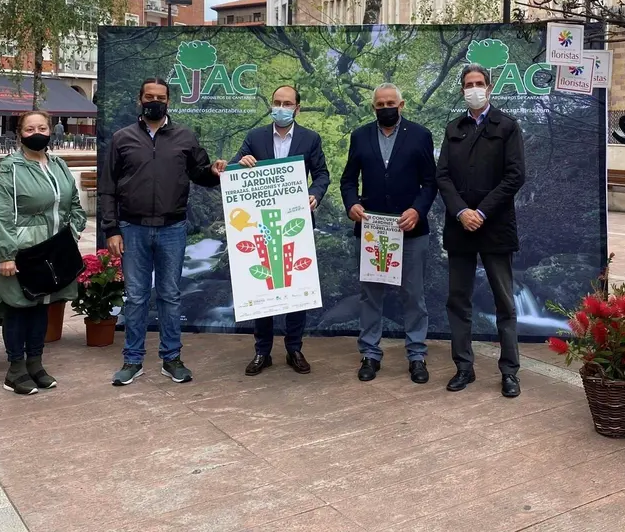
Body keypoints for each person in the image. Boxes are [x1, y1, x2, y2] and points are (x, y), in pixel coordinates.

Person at [99, 78, 225, 386]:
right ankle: (132, 361)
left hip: (173, 228)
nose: (154, 101)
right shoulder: (121, 138)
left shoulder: (185, 137)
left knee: (170, 295)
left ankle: (172, 359)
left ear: (169, 101)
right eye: (149, 96)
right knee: (137, 297)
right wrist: (111, 229)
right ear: (139, 99)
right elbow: (107, 188)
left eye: (161, 97)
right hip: (132, 228)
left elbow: (201, 175)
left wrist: (214, 172)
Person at [224, 85, 330, 376]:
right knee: (264, 288)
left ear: (298, 108)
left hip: (296, 225)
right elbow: (231, 169)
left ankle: (294, 348)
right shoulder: (255, 137)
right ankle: (262, 352)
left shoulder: (311, 138)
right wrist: (240, 163)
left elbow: (322, 174)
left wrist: (315, 194)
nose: (281, 107)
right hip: (261, 225)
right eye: (276, 102)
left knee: (296, 289)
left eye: (287, 103)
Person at [436, 63, 526, 398]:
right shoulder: (453, 128)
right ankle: (463, 367)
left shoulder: (508, 126)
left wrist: (481, 212)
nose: (473, 88)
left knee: (504, 302)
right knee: (458, 301)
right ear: (462, 90)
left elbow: (515, 176)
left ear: (489, 87)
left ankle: (510, 372)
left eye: (479, 83)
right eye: (468, 84)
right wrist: (461, 211)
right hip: (460, 228)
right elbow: (442, 176)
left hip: (495, 228)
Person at [340, 83, 437, 384]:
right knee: (371, 295)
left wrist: (417, 210)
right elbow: (347, 181)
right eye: (380, 104)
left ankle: (417, 355)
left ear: (402, 104)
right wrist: (352, 204)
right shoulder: (360, 136)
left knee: (413, 295)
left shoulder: (420, 135)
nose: (386, 108)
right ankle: (370, 353)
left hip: (411, 230)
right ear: (374, 108)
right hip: (371, 231)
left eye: (390, 103)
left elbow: (431, 183)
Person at [0, 110, 87, 395]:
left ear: (51, 130)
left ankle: (35, 364)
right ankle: (15, 370)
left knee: (42, 305)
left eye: (42, 127)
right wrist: (5, 254)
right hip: (22, 251)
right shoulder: (10, 169)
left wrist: (73, 232)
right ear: (19, 133)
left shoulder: (58, 165)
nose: (37, 133)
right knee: (19, 308)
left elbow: (74, 204)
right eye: (30, 129)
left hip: (53, 250)